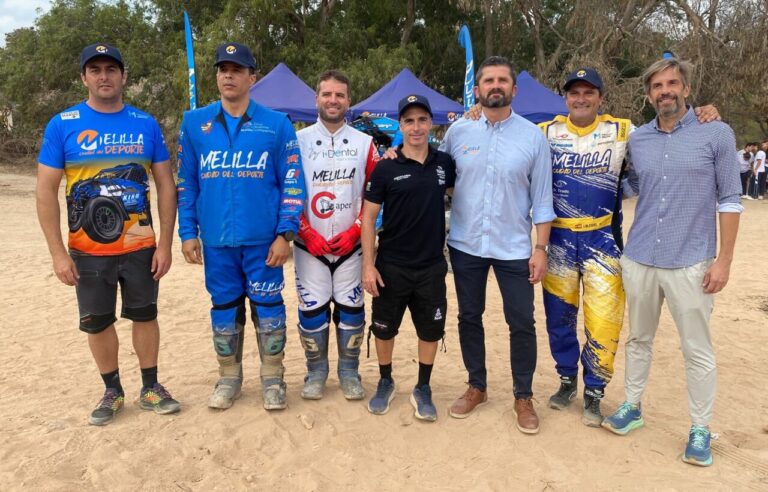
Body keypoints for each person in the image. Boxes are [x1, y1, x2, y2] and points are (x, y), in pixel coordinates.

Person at [536, 69, 721, 427]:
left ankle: (594, 391)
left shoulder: (624, 131)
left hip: (603, 239)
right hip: (558, 240)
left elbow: (664, 137)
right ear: (566, 98)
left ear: (601, 98)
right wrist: (476, 112)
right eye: (574, 93)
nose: (581, 99)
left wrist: (702, 111)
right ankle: (566, 379)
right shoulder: (545, 132)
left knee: (604, 320)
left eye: (589, 92)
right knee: (558, 317)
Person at [602, 57, 742, 468]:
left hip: (691, 262)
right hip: (641, 257)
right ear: (649, 95)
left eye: (672, 83)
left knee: (696, 349)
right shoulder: (638, 139)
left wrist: (724, 261)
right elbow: (631, 186)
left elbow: (730, 199)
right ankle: (632, 405)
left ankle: (700, 428)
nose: (665, 91)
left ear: (686, 88)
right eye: (657, 86)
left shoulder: (716, 133)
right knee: (638, 339)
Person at [36, 43, 180, 426]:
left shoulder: (145, 123)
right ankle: (112, 390)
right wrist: (57, 253)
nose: (104, 76)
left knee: (145, 315)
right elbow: (45, 190)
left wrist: (166, 244)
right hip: (86, 250)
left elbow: (166, 185)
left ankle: (150, 386)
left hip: (140, 244)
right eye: (95, 70)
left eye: (111, 69)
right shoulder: (63, 124)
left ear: (123, 76)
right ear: (84, 77)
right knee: (97, 320)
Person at [177, 42, 304, 411]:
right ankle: (229, 378)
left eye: (236, 70)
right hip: (217, 242)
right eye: (222, 69)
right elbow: (186, 183)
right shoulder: (194, 123)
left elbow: (292, 182)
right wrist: (188, 233)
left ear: (252, 77)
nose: (228, 76)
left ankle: (273, 379)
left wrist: (285, 234)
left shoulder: (276, 124)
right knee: (224, 310)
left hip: (264, 242)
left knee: (269, 310)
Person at [441, 56, 555, 434]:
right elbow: (437, 174)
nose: (495, 86)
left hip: (514, 247)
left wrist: (540, 249)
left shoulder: (533, 137)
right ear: (477, 90)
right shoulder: (458, 132)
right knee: (468, 317)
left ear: (513, 89)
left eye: (502, 80)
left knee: (521, 321)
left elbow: (542, 199)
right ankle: (477, 385)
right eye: (488, 80)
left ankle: (523, 396)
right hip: (466, 243)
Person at [362, 95, 456, 422]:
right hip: (391, 266)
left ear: (430, 123)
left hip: (431, 267)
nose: (416, 127)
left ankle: (423, 387)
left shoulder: (445, 163)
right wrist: (368, 265)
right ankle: (385, 380)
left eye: (421, 120)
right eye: (409, 121)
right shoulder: (386, 166)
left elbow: (460, 196)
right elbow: (368, 218)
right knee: (384, 328)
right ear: (400, 126)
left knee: (430, 330)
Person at [294, 70, 378, 400]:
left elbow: (377, 195)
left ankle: (349, 371)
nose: (333, 100)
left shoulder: (365, 143)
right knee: (312, 310)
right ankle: (316, 372)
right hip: (308, 245)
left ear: (348, 101)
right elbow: (287, 193)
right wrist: (305, 232)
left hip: (351, 246)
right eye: (327, 94)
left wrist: (356, 229)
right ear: (316, 98)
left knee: (352, 308)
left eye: (339, 95)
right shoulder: (297, 141)